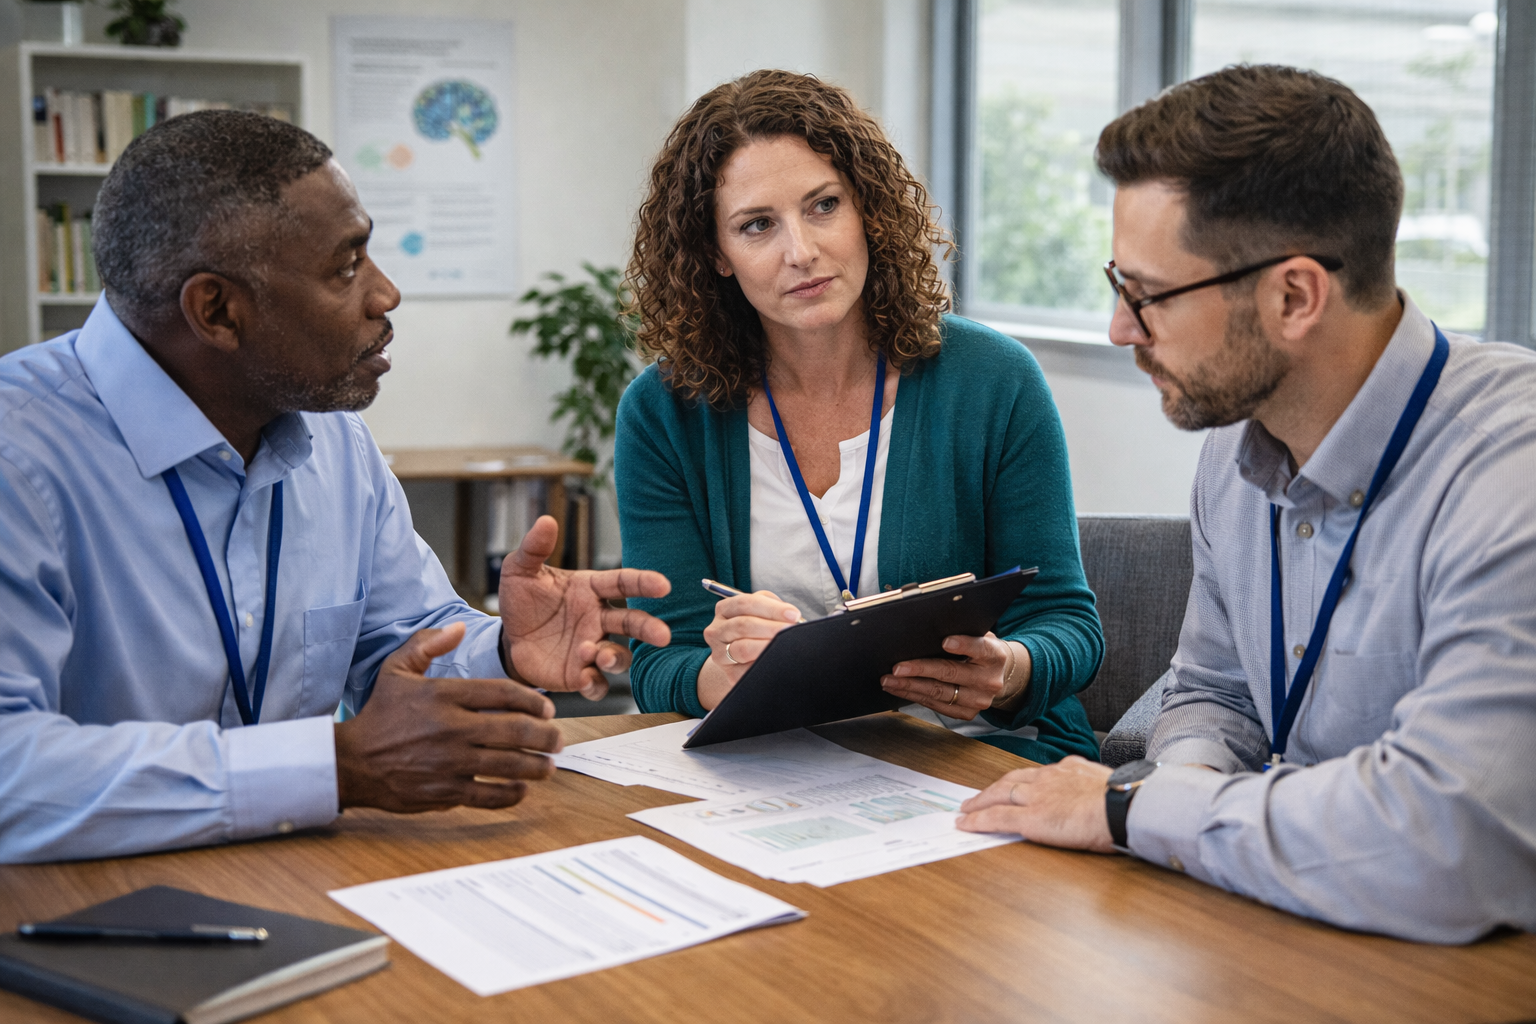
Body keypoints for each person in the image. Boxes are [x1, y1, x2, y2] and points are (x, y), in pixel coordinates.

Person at [957, 65, 1536, 943]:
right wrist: (1177, 796)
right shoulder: (1238, 445)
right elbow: (1212, 691)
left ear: (1294, 296)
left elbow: (1445, 840)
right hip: (1283, 921)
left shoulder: (1508, 473)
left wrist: (1136, 811)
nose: (1121, 329)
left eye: (1147, 295)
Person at [0, 111, 672, 864]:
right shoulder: (18, 459)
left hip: (305, 875)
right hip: (85, 908)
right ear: (217, 310)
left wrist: (507, 648)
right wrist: (336, 766)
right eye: (346, 266)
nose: (386, 294)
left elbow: (400, 642)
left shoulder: (334, 438)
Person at [614, 70, 1103, 764]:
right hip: (779, 771)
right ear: (716, 256)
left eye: (823, 206)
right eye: (758, 225)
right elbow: (659, 665)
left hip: (979, 758)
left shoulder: (994, 380)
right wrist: (717, 673)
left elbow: (1068, 624)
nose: (801, 252)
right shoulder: (663, 414)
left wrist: (1009, 670)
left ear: (866, 209)